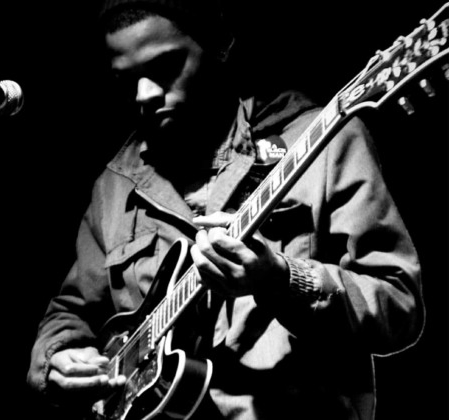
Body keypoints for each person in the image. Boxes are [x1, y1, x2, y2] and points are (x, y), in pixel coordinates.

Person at [27, 0, 425, 419]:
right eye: (126, 80)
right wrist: (60, 356)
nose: (144, 94)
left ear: (219, 46)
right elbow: (70, 311)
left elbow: (399, 307)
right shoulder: (115, 184)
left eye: (165, 66)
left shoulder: (322, 143)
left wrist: (282, 278)